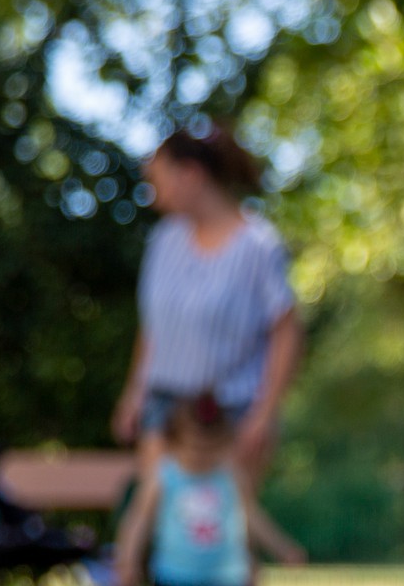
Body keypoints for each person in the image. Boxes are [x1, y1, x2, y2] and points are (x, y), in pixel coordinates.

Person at [110, 125, 301, 477]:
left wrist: (265, 412)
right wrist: (134, 393)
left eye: (158, 181)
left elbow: (286, 332)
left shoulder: (258, 246)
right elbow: (155, 327)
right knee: (162, 518)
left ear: (191, 175)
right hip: (165, 412)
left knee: (220, 524)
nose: (153, 196)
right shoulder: (163, 241)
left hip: (231, 415)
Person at [113, 393, 305, 586]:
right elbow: (139, 520)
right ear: (173, 443)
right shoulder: (164, 475)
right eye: (194, 450)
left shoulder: (229, 475)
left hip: (226, 580)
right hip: (176, 579)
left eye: (209, 451)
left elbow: (251, 516)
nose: (201, 458)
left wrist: (283, 549)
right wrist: (127, 560)